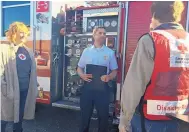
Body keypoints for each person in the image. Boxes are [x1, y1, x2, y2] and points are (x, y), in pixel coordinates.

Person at [119, 1, 189, 132]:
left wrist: (124, 120)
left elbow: (134, 85)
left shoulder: (150, 40)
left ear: (155, 15)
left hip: (150, 120)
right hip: (182, 118)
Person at [77, 27, 118, 132]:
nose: (103, 35)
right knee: (84, 117)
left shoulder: (109, 53)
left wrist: (109, 77)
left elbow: (114, 71)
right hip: (88, 89)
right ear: (94, 35)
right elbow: (79, 68)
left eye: (104, 33)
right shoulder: (86, 51)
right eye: (100, 33)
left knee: (103, 118)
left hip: (102, 91)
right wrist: (82, 76)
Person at [0, 22, 38, 132]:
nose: (24, 35)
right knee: (4, 116)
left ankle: (18, 130)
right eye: (21, 32)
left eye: (25, 33)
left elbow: (32, 71)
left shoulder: (28, 50)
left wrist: (34, 86)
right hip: (9, 91)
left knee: (20, 115)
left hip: (25, 90)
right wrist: (4, 89)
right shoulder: (3, 49)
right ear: (13, 33)